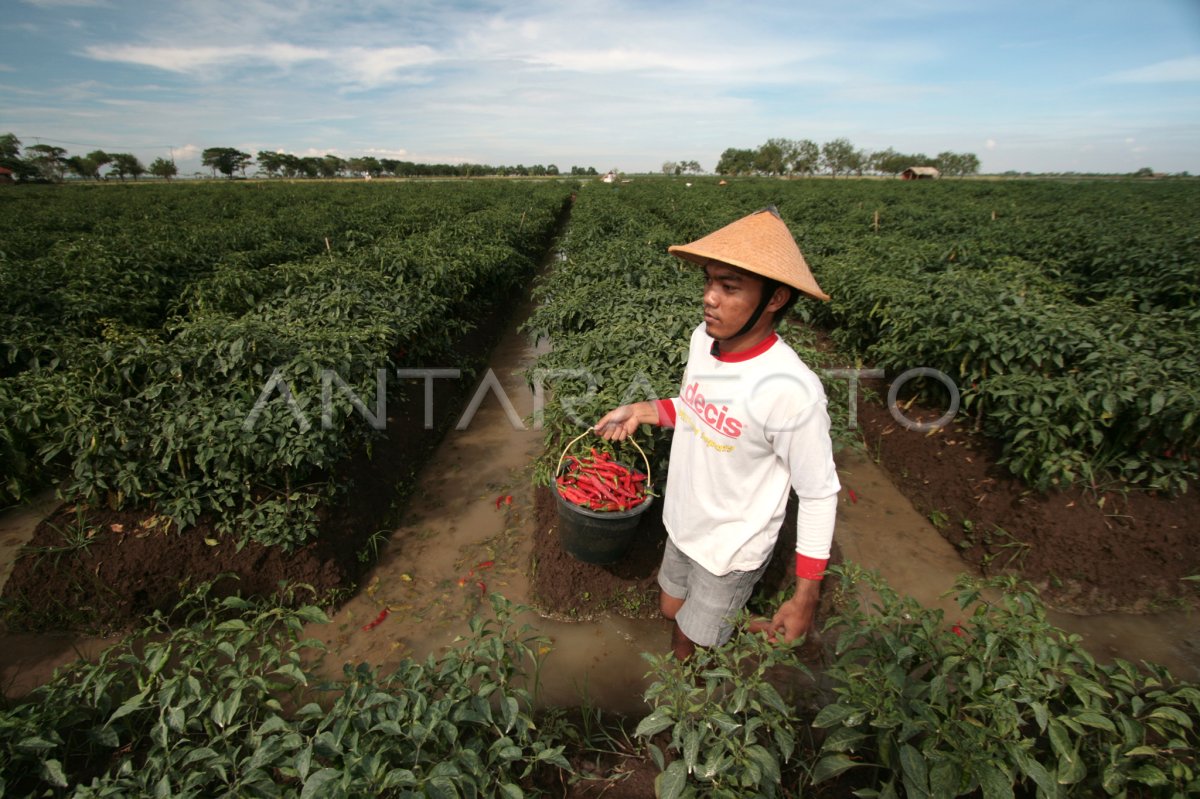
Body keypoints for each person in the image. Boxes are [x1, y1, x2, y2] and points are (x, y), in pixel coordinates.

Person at [594, 206, 840, 659]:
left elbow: (820, 494)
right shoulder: (701, 341)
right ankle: (718, 629)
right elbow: (696, 408)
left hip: (730, 548)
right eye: (708, 282)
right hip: (684, 522)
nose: (710, 297)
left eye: (729, 287)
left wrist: (806, 598)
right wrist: (642, 410)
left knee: (690, 639)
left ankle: (685, 697)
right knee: (671, 609)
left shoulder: (791, 391)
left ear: (775, 298)